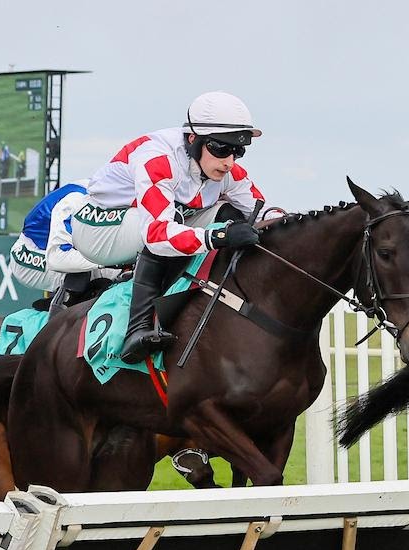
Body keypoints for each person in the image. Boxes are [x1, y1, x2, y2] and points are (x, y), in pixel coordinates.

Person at [71, 91, 265, 363]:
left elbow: (262, 207)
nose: (229, 161)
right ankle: (136, 329)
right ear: (193, 139)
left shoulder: (226, 169)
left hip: (146, 221)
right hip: (99, 229)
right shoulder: (159, 159)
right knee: (177, 223)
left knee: (229, 214)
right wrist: (219, 236)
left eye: (237, 150)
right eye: (221, 149)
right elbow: (157, 235)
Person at [9, 181, 120, 315]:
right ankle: (56, 329)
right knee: (83, 270)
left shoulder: (108, 194)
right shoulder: (76, 201)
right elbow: (59, 258)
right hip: (30, 255)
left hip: (62, 252)